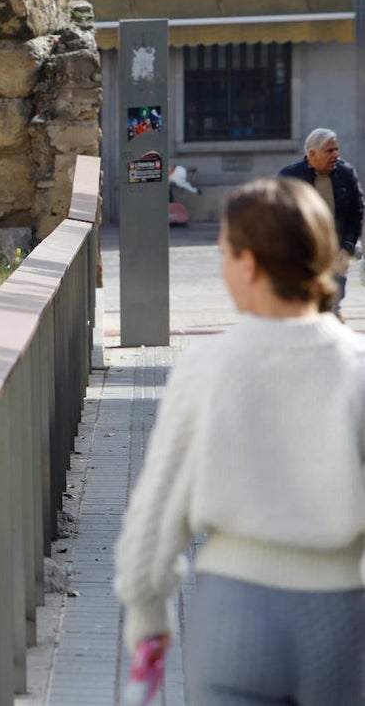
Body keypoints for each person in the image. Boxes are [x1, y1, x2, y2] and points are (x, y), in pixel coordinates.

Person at [113, 177, 365, 705]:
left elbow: (156, 515)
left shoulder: (206, 368)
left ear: (249, 264)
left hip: (234, 615)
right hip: (342, 618)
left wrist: (147, 613)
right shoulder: (357, 368)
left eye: (224, 253)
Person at [278, 128, 365, 317]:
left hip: (337, 246)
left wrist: (348, 245)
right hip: (303, 249)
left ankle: (332, 317)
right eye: (329, 151)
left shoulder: (345, 173)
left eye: (336, 149)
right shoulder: (290, 176)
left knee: (334, 294)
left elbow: (356, 212)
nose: (335, 155)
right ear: (312, 154)